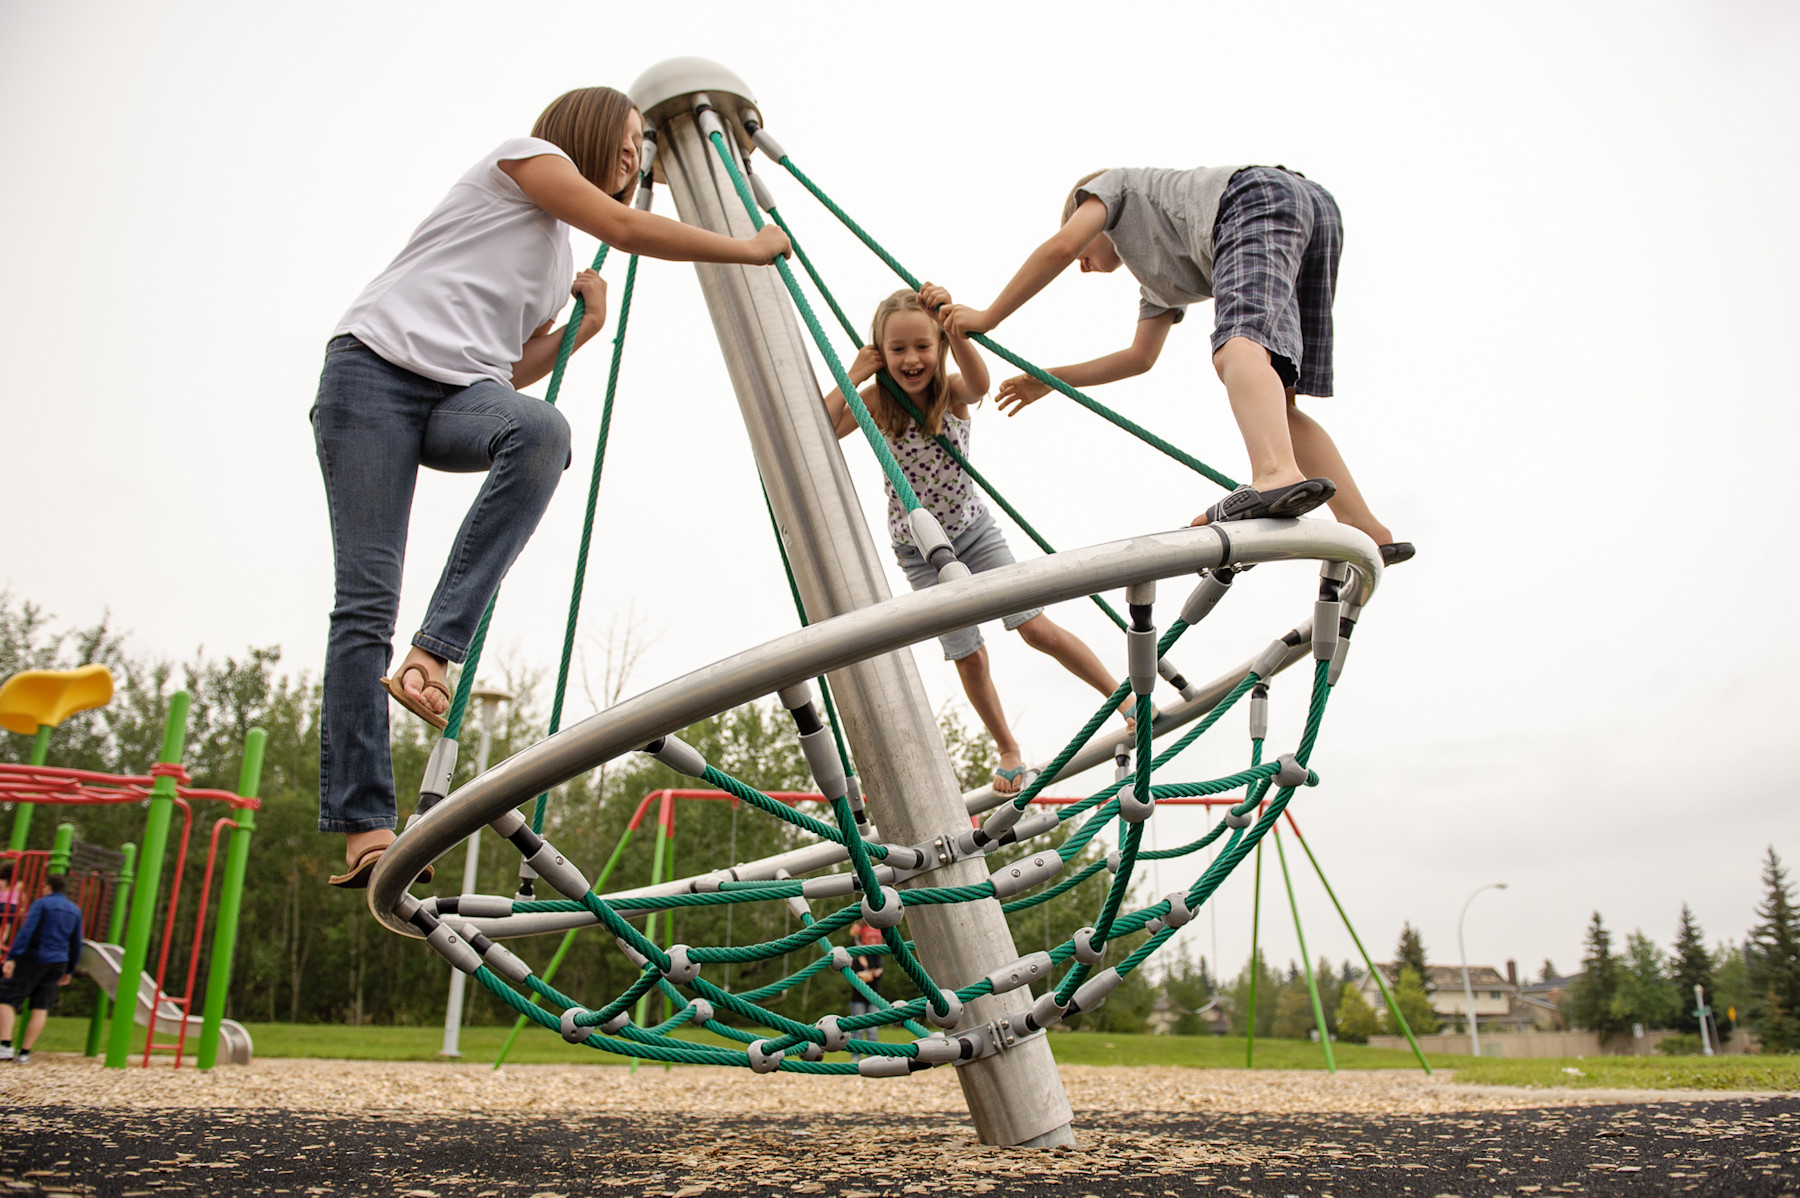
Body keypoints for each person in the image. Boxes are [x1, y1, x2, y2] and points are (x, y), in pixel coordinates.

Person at [314, 86, 791, 887]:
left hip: (452, 398)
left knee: (541, 430)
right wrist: (746, 247)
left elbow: (500, 372)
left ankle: (434, 654)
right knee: (365, 599)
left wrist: (581, 330)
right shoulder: (524, 160)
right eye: (631, 139)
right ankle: (364, 827)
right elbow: (627, 228)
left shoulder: (555, 263)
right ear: (589, 130)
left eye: (645, 146)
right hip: (372, 376)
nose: (637, 157)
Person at [943, 166, 1410, 563]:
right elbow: (1139, 358)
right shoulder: (1158, 283)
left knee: (1237, 345)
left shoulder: (1112, 187)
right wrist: (1049, 380)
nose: (1082, 264)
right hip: (1311, 211)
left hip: (1253, 198)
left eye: (1087, 241)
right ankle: (1364, 525)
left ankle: (1275, 473)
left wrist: (987, 318)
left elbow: (1062, 248)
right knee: (1278, 397)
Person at [822, 287, 1130, 795]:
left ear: (939, 347)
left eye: (923, 346)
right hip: (918, 551)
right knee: (970, 656)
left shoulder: (951, 392)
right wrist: (855, 373)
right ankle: (1008, 748)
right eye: (896, 349)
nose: (911, 359)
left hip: (973, 532)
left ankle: (1123, 700)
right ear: (880, 352)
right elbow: (823, 426)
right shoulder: (876, 400)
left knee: (1034, 628)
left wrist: (957, 327)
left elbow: (981, 381)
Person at [0, 873, 84, 1063]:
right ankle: (24, 1053)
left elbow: (27, 931)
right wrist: (70, 968)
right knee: (41, 1006)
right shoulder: (74, 910)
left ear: (47, 887)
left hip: (35, 956)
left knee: (5, 998)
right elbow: (76, 942)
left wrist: (13, 956)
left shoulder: (42, 904)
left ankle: (5, 1045)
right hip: (59, 960)